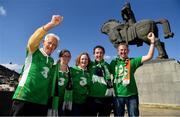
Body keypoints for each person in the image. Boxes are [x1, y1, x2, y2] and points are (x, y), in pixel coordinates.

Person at [10, 15, 63, 116]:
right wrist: (51, 24)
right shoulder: (33, 51)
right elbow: (32, 40)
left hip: (42, 102)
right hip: (24, 97)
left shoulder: (52, 61)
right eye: (49, 43)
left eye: (54, 45)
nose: (51, 46)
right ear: (43, 42)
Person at [110, 32, 155, 116]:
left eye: (125, 50)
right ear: (118, 51)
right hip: (118, 96)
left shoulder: (133, 61)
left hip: (132, 96)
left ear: (128, 51)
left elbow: (149, 56)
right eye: (121, 50)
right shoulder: (113, 63)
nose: (123, 52)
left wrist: (152, 42)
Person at [87, 45, 113, 116]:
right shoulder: (89, 65)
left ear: (103, 54)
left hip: (106, 98)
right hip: (92, 98)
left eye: (101, 53)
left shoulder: (108, 66)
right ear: (94, 54)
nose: (99, 55)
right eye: (97, 53)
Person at [50, 49, 73, 116]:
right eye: (64, 56)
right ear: (60, 57)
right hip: (52, 100)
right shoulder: (53, 68)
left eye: (68, 56)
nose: (67, 58)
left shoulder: (70, 71)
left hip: (63, 101)